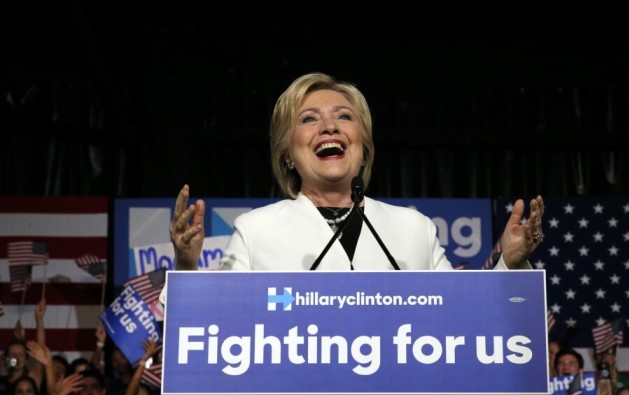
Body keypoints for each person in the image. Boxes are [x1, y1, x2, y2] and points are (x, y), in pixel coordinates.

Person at [168, 72, 545, 273]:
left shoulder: (414, 228)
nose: (329, 127)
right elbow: (214, 328)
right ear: (287, 155)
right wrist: (186, 267)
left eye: (344, 117)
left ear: (362, 147)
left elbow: (462, 325)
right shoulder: (255, 231)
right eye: (309, 119)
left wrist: (508, 265)